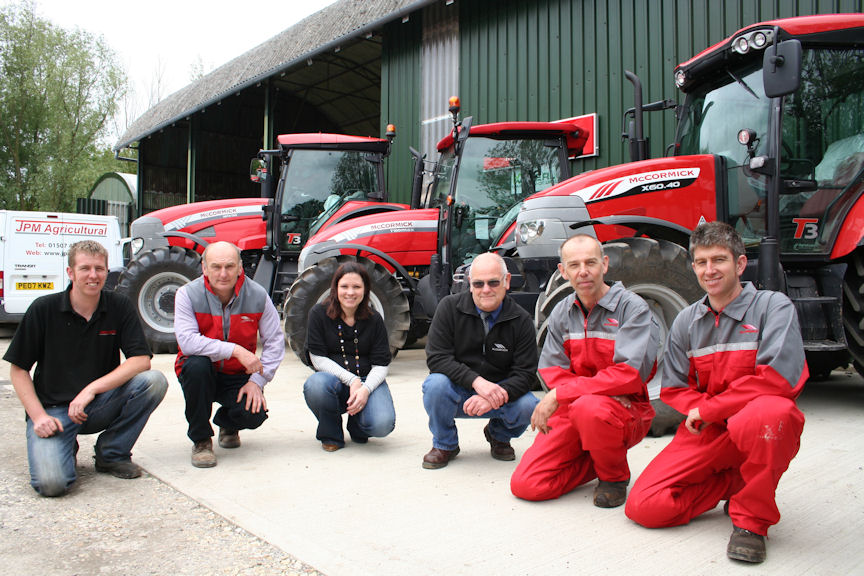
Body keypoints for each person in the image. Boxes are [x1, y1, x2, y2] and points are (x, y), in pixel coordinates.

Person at [625, 222, 808, 564]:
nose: (710, 270)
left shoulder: (773, 308)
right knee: (645, 506)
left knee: (772, 413)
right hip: (708, 431)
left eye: (719, 260)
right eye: (701, 261)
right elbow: (676, 389)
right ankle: (732, 484)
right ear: (693, 267)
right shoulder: (686, 323)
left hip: (753, 426)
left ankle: (751, 523)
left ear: (739, 264)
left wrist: (711, 409)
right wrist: (701, 411)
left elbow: (779, 379)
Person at [3, 240, 168, 496]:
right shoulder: (43, 310)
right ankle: (65, 445)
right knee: (51, 485)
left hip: (99, 404)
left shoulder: (118, 306)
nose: (93, 275)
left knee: (153, 381)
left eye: (99, 269)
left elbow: (141, 360)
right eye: (85, 268)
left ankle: (111, 453)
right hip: (54, 412)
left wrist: (91, 390)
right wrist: (38, 417)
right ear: (71, 272)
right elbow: (19, 370)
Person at [510, 235, 658, 507]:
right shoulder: (562, 312)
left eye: (590, 262)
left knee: (590, 409)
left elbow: (628, 375)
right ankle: (597, 454)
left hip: (624, 409)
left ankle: (613, 477)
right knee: (527, 485)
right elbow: (553, 369)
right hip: (574, 406)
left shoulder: (632, 308)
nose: (583, 271)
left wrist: (561, 394)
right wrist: (572, 394)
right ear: (563, 271)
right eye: (574, 265)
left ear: (605, 264)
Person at [421, 252, 539, 469]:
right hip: (458, 393)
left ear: (507, 281)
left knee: (530, 406)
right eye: (479, 283)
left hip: (499, 393)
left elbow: (526, 374)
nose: (486, 289)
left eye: (493, 282)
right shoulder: (448, 308)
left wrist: (493, 396)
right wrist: (477, 382)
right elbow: (437, 358)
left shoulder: (522, 320)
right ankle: (445, 444)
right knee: (435, 385)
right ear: (470, 283)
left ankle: (499, 435)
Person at [174, 241, 285, 468]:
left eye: (229, 266)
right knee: (196, 366)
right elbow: (187, 342)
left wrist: (257, 381)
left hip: (238, 375)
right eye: (216, 267)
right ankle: (201, 440)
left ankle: (227, 422)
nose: (223, 274)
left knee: (254, 414)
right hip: (201, 371)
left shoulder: (257, 295)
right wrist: (234, 350)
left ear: (240, 267)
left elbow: (275, 342)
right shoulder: (187, 294)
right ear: (204, 268)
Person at [303, 261, 396, 451]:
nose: (350, 292)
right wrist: (352, 380)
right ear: (335, 288)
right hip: (334, 382)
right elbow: (317, 358)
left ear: (365, 289)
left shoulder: (374, 319)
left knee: (382, 424)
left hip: (367, 381)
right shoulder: (319, 314)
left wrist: (365, 389)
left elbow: (381, 364)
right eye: (344, 286)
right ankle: (331, 433)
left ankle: (358, 425)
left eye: (356, 287)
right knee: (316, 385)